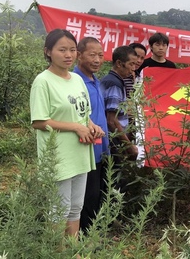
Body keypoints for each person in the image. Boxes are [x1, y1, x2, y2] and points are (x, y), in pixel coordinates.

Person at [30, 29, 105, 238]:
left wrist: (90, 126)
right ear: (48, 52)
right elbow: (39, 121)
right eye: (62, 50)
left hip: (80, 152)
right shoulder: (43, 81)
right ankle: (57, 256)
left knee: (75, 208)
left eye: (72, 50)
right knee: (58, 211)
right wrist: (75, 127)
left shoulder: (76, 79)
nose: (68, 55)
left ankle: (72, 254)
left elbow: (83, 114)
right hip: (58, 155)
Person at [72, 37, 110, 232]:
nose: (97, 59)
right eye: (92, 55)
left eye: (101, 55)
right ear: (79, 55)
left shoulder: (95, 80)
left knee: (98, 194)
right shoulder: (74, 82)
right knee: (85, 198)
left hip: (100, 148)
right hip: (85, 150)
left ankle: (93, 234)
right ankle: (83, 239)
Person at [100, 45, 138, 192]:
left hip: (113, 139)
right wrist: (129, 146)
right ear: (119, 64)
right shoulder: (114, 84)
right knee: (114, 180)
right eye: (130, 64)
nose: (132, 69)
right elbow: (111, 120)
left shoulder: (113, 80)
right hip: (113, 140)